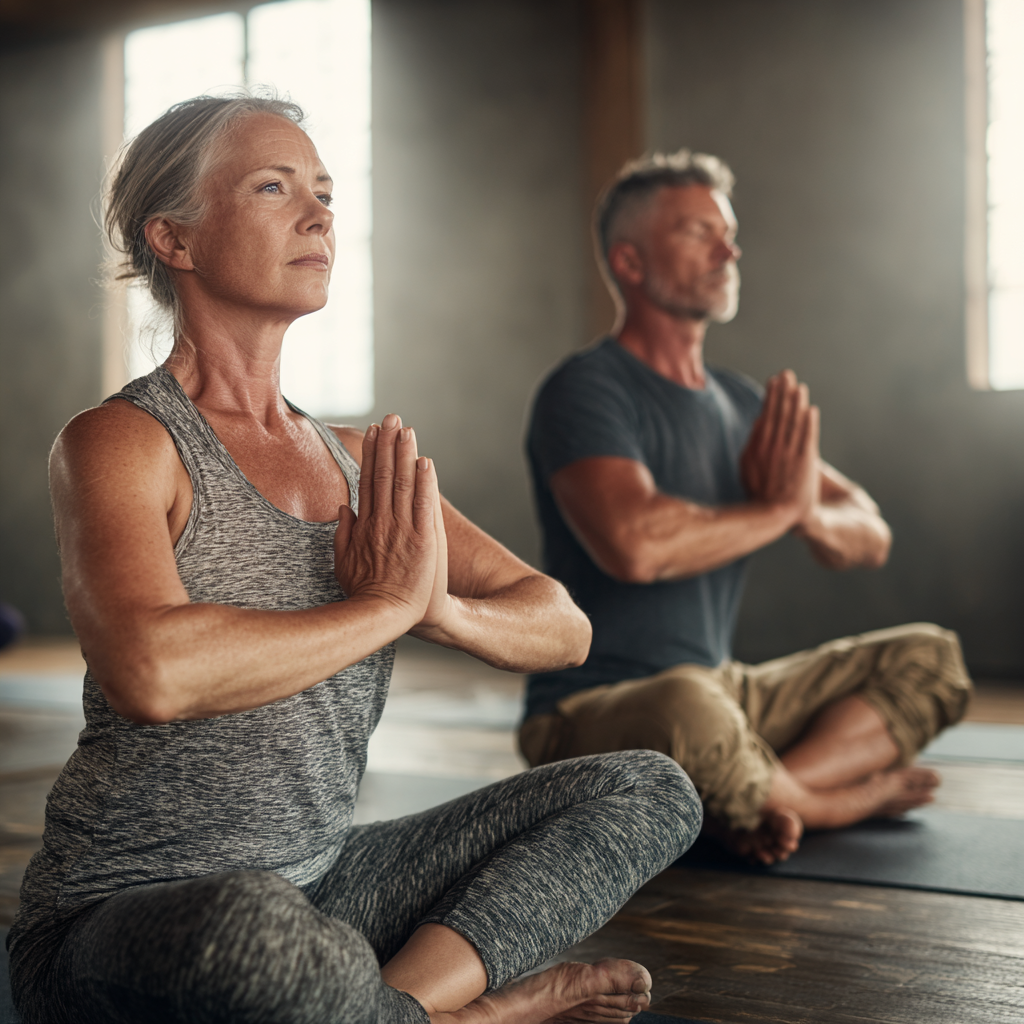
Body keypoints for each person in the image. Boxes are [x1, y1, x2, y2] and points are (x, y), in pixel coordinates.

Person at [6, 97, 703, 1024]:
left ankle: (402, 1010)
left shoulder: (359, 460)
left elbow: (563, 625)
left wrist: (437, 607)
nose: (320, 214)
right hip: (123, 917)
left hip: (324, 884)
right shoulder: (123, 443)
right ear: (173, 238)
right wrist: (383, 605)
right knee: (252, 929)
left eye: (325, 192)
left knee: (648, 786)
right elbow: (151, 670)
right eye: (273, 187)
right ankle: (473, 1013)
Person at [520, 150, 971, 866]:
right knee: (687, 707)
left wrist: (806, 514)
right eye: (699, 232)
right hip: (594, 707)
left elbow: (870, 532)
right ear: (631, 263)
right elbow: (635, 544)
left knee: (931, 657)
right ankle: (823, 801)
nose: (728, 250)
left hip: (725, 692)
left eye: (728, 233)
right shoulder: (586, 390)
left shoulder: (742, 405)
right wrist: (782, 509)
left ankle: (771, 792)